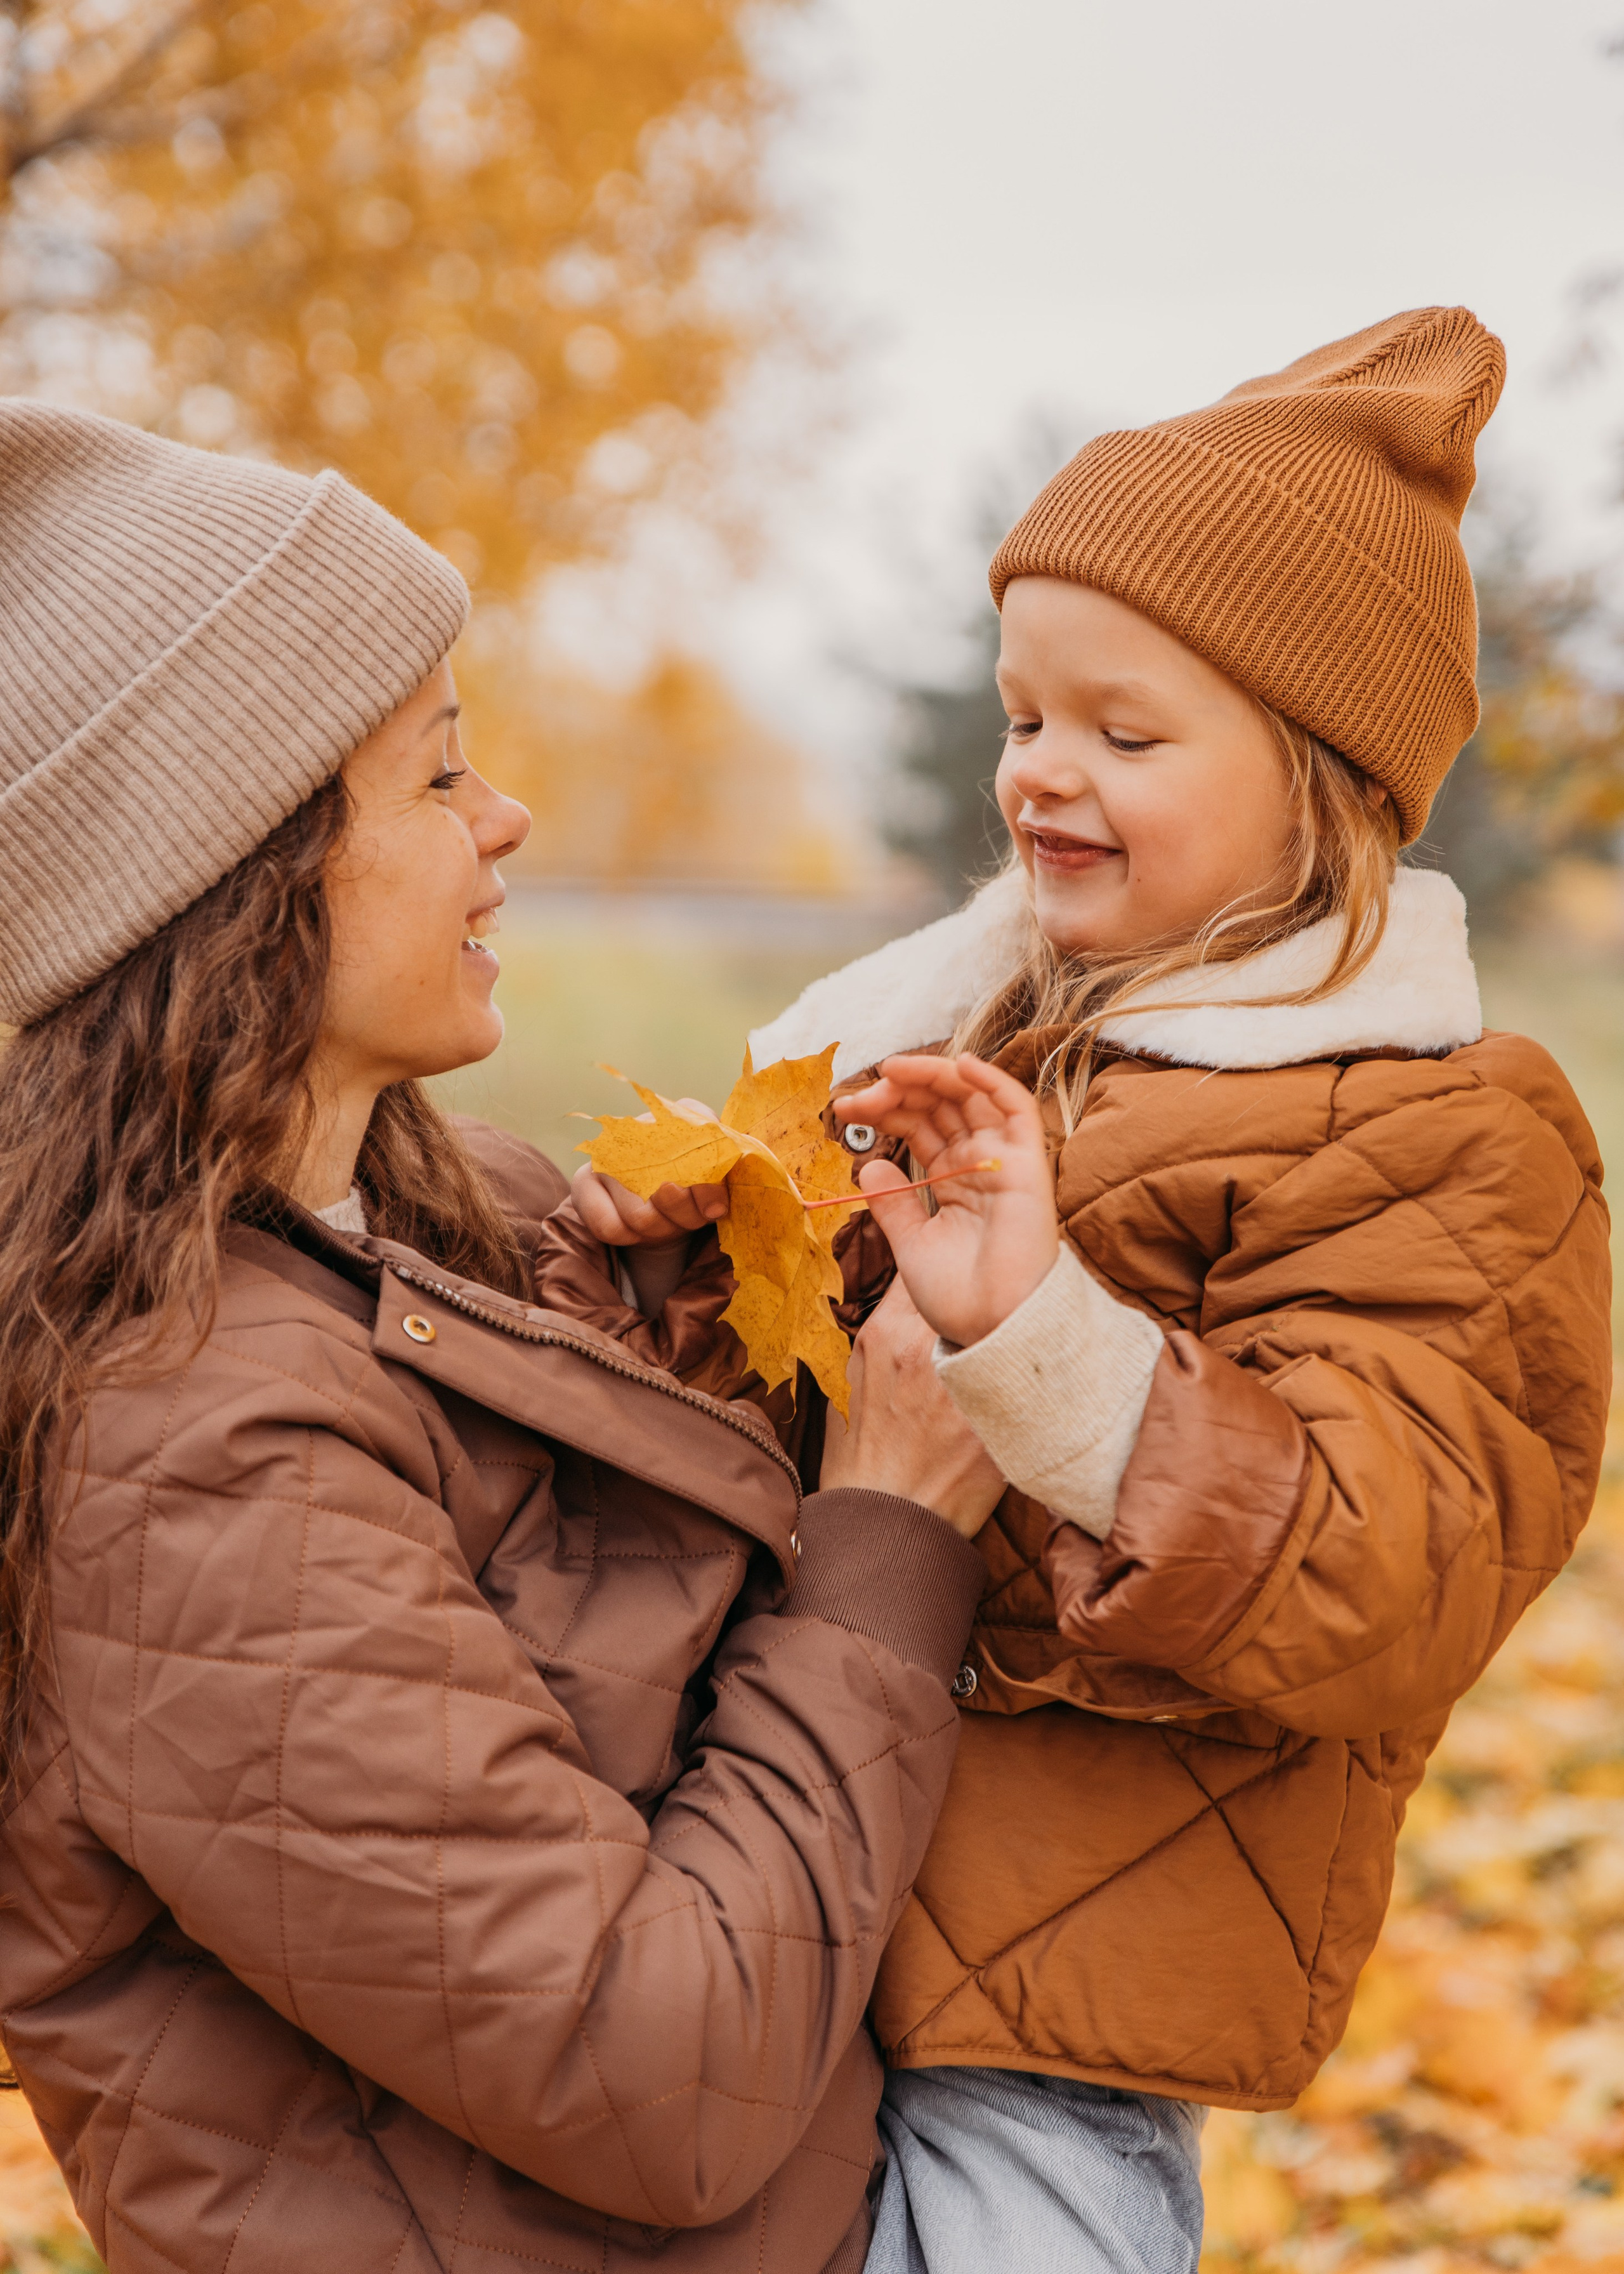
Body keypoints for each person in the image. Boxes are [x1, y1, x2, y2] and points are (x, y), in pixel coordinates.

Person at [573, 309, 1614, 2272]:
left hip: (1046, 2003)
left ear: (1325, 787)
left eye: (1124, 735)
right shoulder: (941, 1037)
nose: (1043, 774)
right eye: (1024, 717)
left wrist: (1041, 1339)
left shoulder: (1447, 1131)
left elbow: (1380, 1570)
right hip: (763, 1881)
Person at [0, 398, 1008, 2274]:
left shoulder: (446, 1219)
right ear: (237, 882)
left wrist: (673, 1359)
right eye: (438, 777)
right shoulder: (180, 1454)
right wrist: (893, 1542)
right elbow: (661, 2073)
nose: (508, 815)